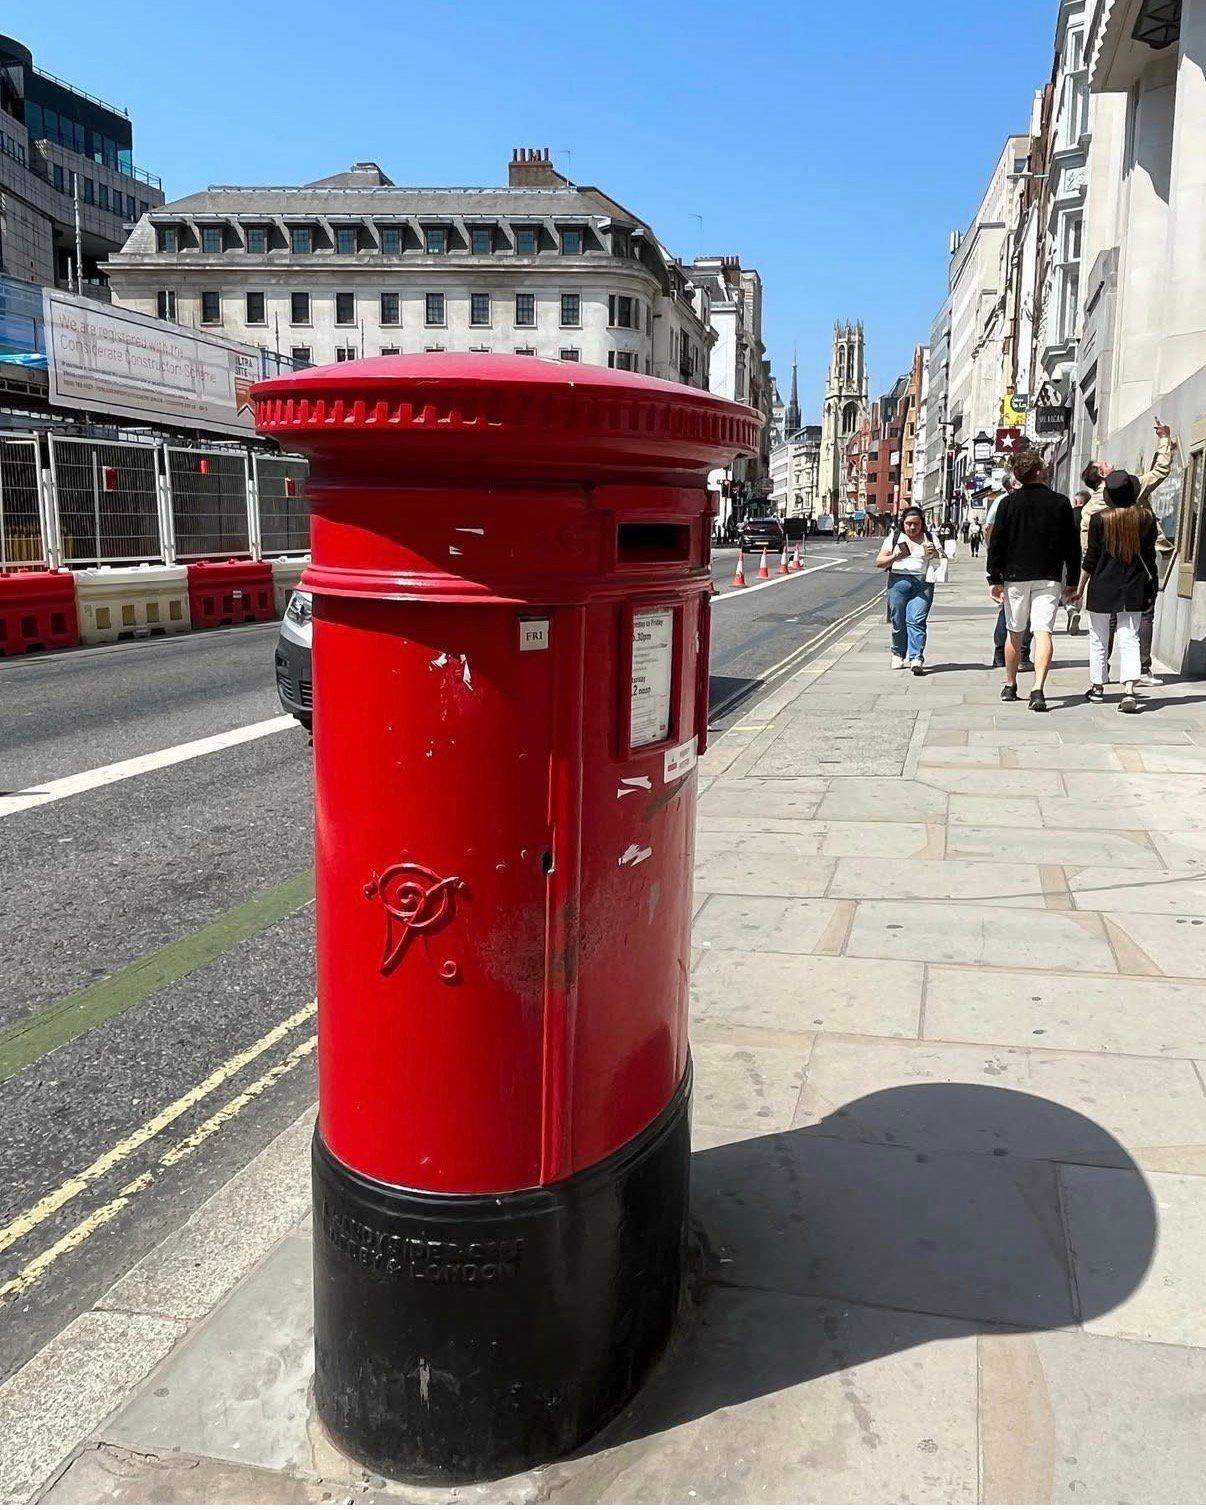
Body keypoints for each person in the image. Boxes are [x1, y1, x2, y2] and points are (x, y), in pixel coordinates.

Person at [985, 449, 1081, 713]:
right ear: (1038, 471)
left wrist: (994, 577)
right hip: (1048, 577)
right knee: (1043, 632)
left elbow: (997, 543)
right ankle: (1038, 688)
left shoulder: (1008, 504)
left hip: (1015, 577)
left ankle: (1010, 684)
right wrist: (1072, 580)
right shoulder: (1060, 503)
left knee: (1015, 632)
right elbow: (1072, 546)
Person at [1081, 417, 1175, 684]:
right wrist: (1165, 440)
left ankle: (1100, 679)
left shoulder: (1091, 509)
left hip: (1104, 573)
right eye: (1104, 464)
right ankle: (1139, 672)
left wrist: (1083, 582)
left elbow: (1088, 549)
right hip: (1138, 567)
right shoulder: (1132, 489)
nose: (1109, 463)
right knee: (1139, 620)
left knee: (1104, 626)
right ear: (1102, 474)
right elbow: (1159, 472)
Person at [1074, 471, 1159, 714]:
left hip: (1102, 585)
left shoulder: (1099, 520)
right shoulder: (1146, 518)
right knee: (1130, 636)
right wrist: (1152, 585)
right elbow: (1150, 557)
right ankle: (1130, 689)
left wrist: (1079, 589)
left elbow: (1090, 558)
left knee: (1099, 637)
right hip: (1134, 584)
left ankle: (1098, 686)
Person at [875, 505, 942, 674]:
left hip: (923, 583)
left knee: (917, 620)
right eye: (908, 523)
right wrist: (896, 556)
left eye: (916, 524)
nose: (912, 527)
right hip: (898, 583)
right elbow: (879, 562)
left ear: (922, 524)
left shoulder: (930, 537)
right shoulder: (894, 538)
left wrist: (935, 554)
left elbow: (945, 561)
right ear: (902, 523)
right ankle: (898, 653)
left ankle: (916, 657)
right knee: (898, 620)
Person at [985, 478, 1033, 671]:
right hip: (1024, 565)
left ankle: (1001, 655)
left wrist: (993, 562)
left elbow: (990, 530)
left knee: (1008, 611)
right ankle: (1019, 655)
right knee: (1022, 612)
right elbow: (990, 530)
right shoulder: (1011, 502)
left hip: (1008, 563)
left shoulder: (1001, 501)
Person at [1066, 490, 1091, 634]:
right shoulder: (1091, 515)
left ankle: (1071, 609)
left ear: (1076, 502)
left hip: (1070, 557)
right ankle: (1076, 609)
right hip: (1087, 557)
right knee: (1081, 588)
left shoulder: (1069, 515)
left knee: (1070, 587)